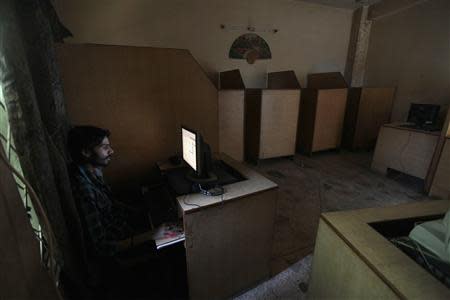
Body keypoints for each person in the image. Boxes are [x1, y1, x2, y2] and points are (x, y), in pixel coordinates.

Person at [67, 125, 151, 259]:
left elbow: (112, 205)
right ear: (86, 152)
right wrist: (150, 236)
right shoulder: (84, 190)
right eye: (105, 147)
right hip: (123, 248)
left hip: (125, 226)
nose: (111, 151)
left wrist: (140, 211)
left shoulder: (91, 172)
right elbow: (102, 247)